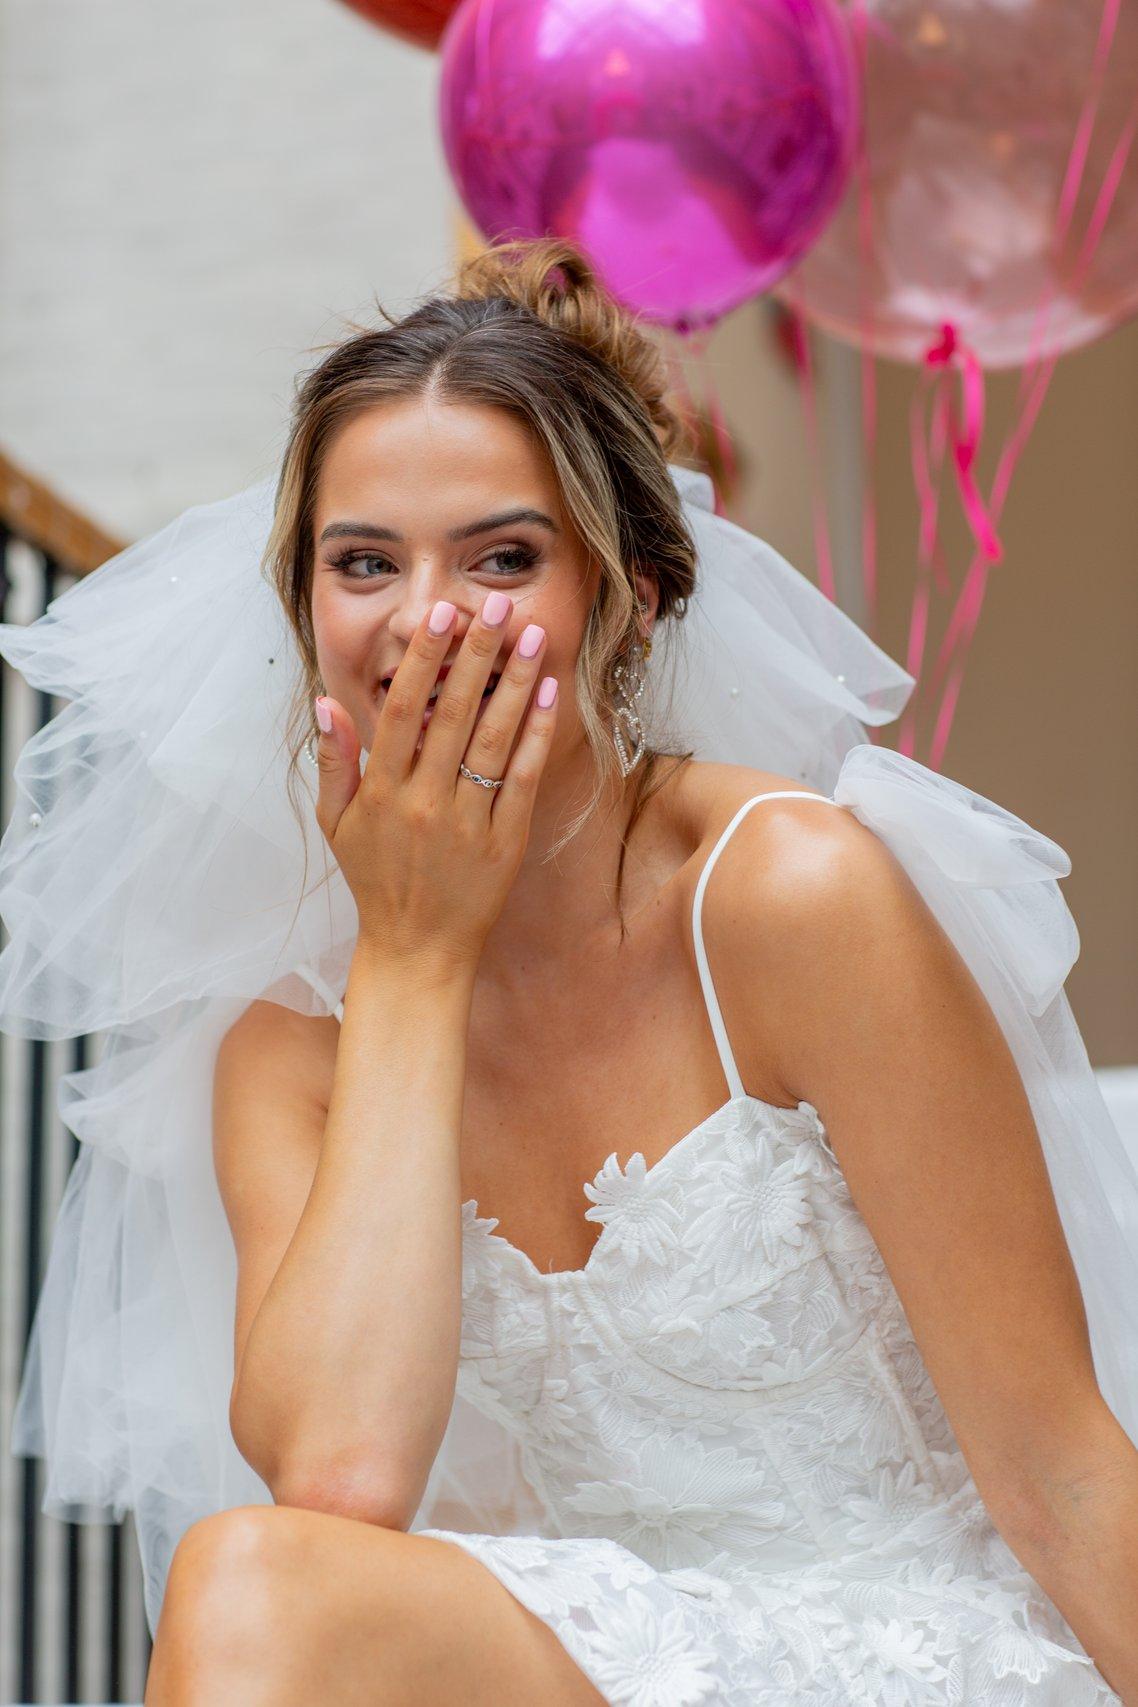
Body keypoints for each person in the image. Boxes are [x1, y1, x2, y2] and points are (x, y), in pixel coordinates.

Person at [4, 238, 1138, 1705]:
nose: (426, 621)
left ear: (632, 597)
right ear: (305, 621)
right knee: (252, 1581)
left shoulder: (791, 894)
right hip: (617, 1657)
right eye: (363, 564)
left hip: (911, 1652)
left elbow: (1055, 1465)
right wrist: (415, 959)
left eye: (501, 557)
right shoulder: (284, 1056)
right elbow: (339, 1478)